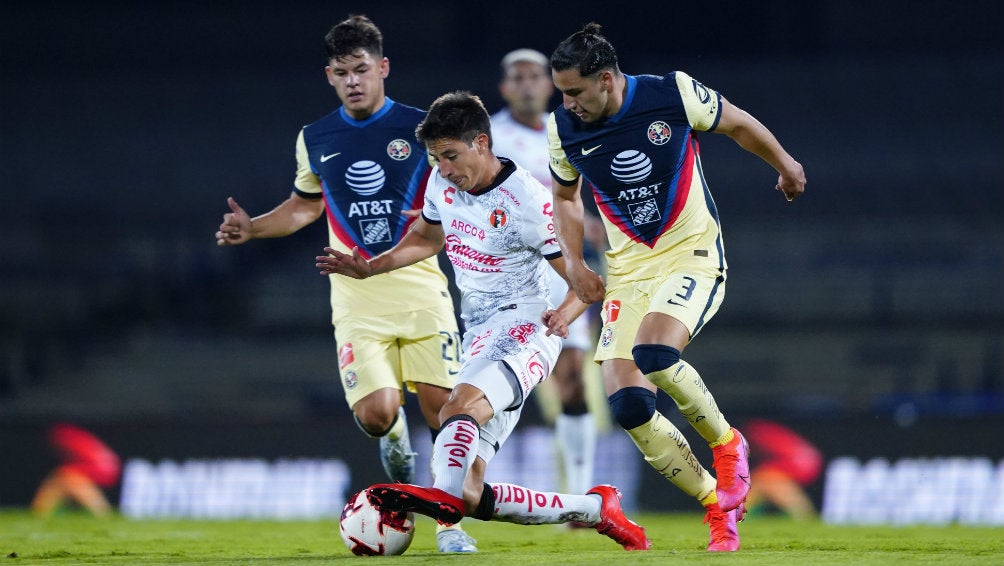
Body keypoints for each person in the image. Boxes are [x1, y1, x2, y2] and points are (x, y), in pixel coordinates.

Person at [317, 91, 650, 551]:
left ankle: (437, 505)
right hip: (478, 333)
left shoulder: (528, 201)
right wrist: (372, 266)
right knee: (467, 490)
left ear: (481, 142)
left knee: (457, 412)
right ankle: (595, 509)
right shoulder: (442, 182)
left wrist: (566, 315)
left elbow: (590, 283)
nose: (445, 168)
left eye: (451, 156)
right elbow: (426, 237)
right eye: (436, 158)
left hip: (525, 328)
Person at [213, 15, 476, 553]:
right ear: (329, 76)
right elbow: (306, 206)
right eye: (341, 72)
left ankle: (450, 526)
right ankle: (395, 442)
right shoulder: (316, 138)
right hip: (356, 299)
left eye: (361, 69)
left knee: (443, 410)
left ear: (382, 68)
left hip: (420, 287)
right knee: (379, 417)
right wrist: (254, 227)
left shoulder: (422, 127)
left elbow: (455, 192)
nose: (353, 80)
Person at [546, 23, 807, 552]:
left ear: (606, 78)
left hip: (691, 256)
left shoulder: (672, 93)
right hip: (628, 274)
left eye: (575, 91)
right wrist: (574, 264)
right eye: (563, 93)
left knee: (656, 352)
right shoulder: (563, 128)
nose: (567, 103)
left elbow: (737, 124)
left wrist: (784, 163)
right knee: (629, 410)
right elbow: (566, 196)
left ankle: (728, 444)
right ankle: (716, 505)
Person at [491, 48, 597, 499]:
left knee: (572, 378)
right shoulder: (489, 137)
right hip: (509, 274)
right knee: (497, 379)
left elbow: (572, 196)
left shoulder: (569, 129)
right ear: (505, 88)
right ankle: (468, 480)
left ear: (549, 84)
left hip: (562, 268)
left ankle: (579, 496)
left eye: (535, 76)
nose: (528, 84)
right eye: (518, 78)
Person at [31, 423, 121, 517]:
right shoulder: (69, 432)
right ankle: (40, 513)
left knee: (67, 475)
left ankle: (102, 513)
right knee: (62, 477)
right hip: (107, 466)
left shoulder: (60, 433)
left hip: (101, 467)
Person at [743, 419, 822, 520]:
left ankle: (732, 512)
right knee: (764, 479)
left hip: (800, 461)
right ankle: (803, 515)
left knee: (765, 478)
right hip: (807, 460)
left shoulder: (753, 431)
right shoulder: (761, 428)